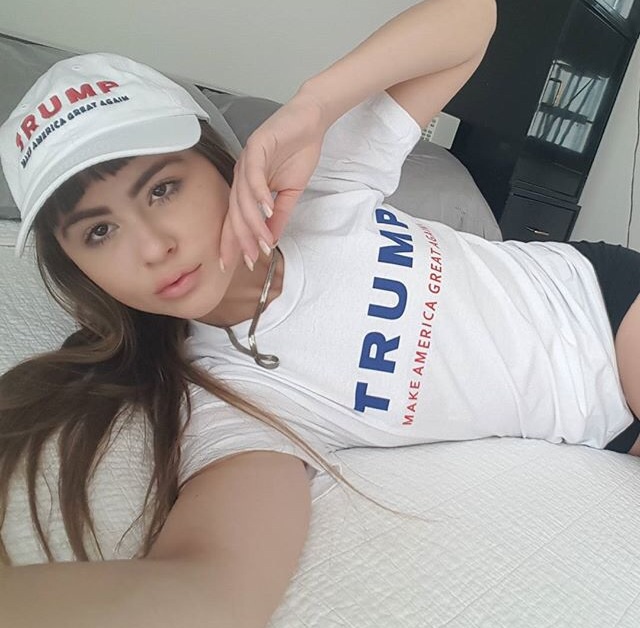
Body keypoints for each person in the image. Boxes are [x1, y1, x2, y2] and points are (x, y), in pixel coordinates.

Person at [1, 0, 639, 626]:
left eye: (163, 189)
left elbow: (474, 17)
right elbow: (212, 594)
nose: (151, 247)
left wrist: (315, 105)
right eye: (99, 232)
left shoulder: (321, 185)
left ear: (220, 167)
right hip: (600, 426)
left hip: (598, 302)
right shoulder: (229, 400)